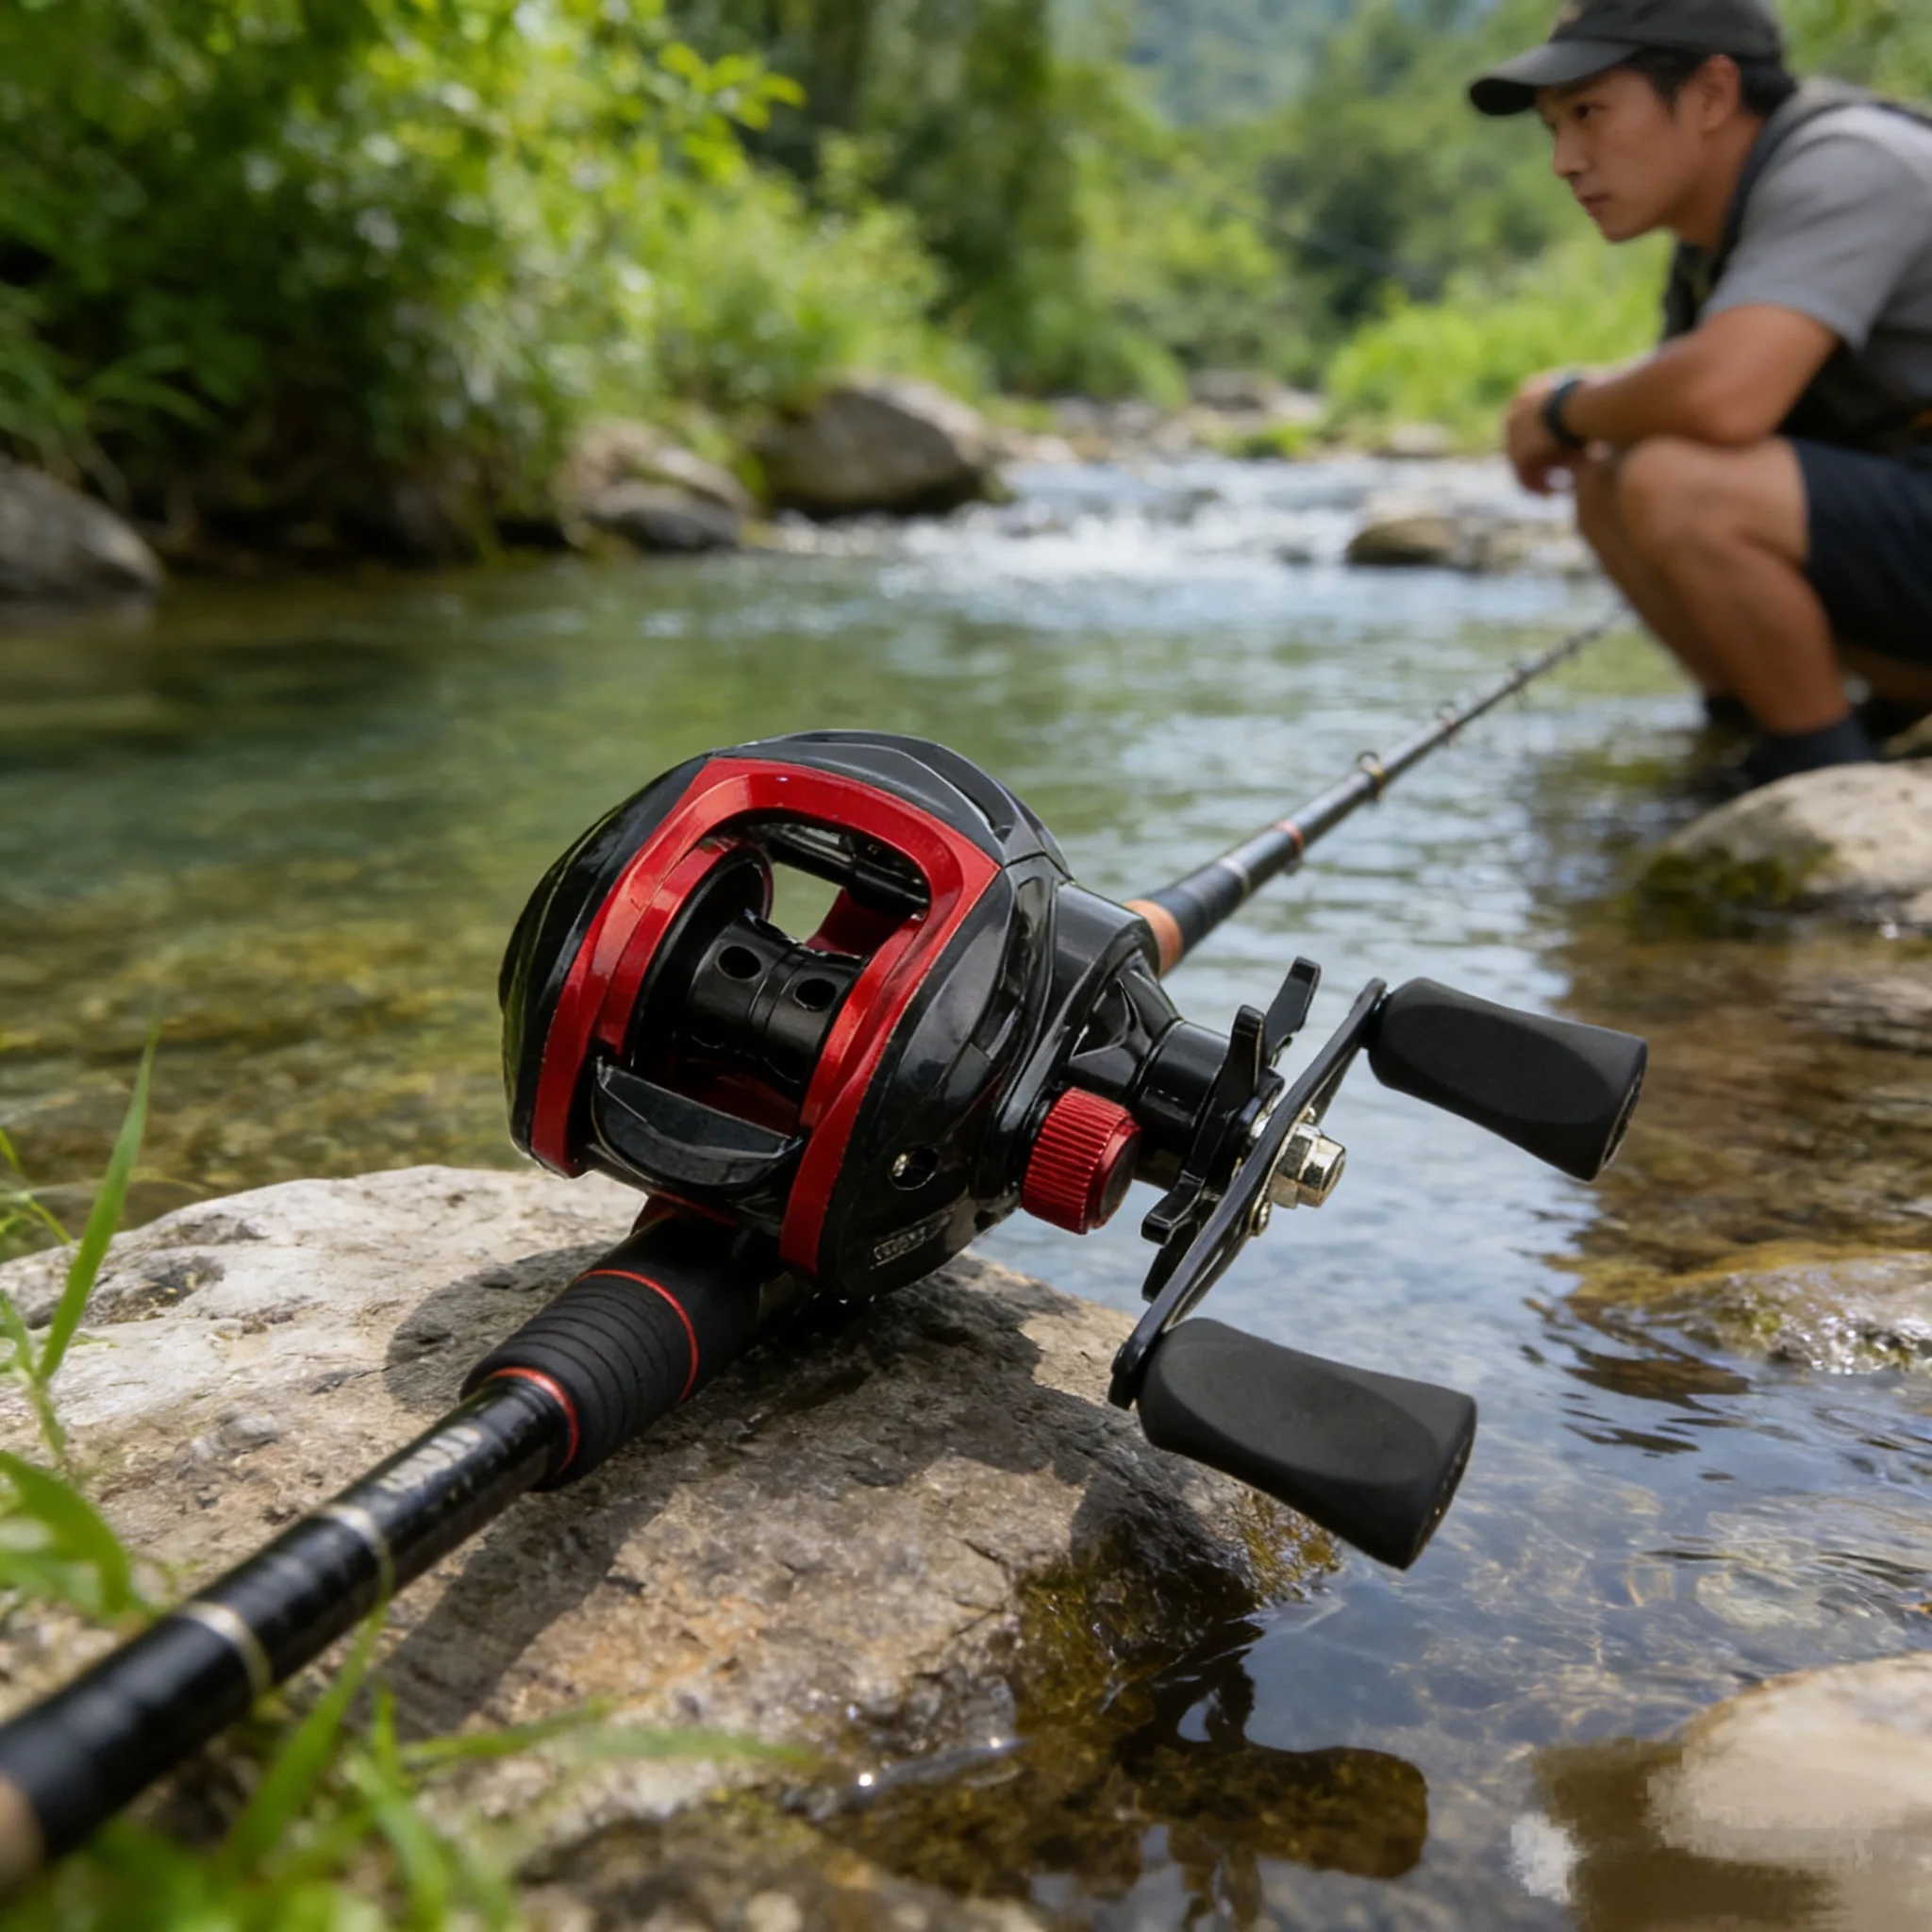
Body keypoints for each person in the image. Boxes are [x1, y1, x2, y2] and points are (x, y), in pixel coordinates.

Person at [1469, 0, 1932, 786]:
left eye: (1588, 112)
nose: (1566, 161)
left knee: (1678, 486)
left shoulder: (1854, 163)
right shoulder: (1710, 237)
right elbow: (1681, 401)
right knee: (1612, 475)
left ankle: (1822, 771)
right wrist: (1589, 420)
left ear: (1714, 94)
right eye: (1554, 129)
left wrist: (1558, 406)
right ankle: (1751, 730)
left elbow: (1723, 396)